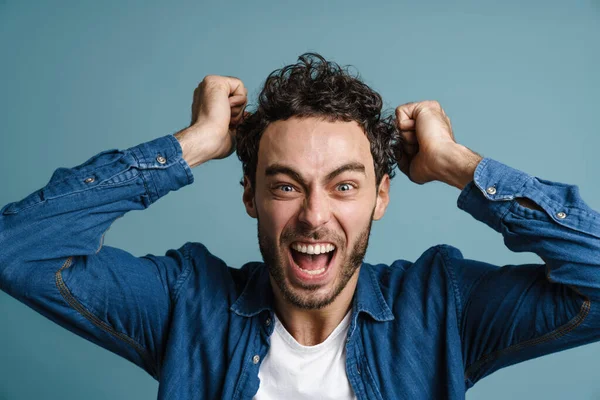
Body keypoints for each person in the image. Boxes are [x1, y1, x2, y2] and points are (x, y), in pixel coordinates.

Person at [0, 53, 599, 400]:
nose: (314, 214)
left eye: (344, 185)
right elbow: (17, 251)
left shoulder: (442, 308)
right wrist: (192, 146)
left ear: (381, 196)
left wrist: (460, 166)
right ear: (250, 197)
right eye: (286, 185)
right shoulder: (186, 304)